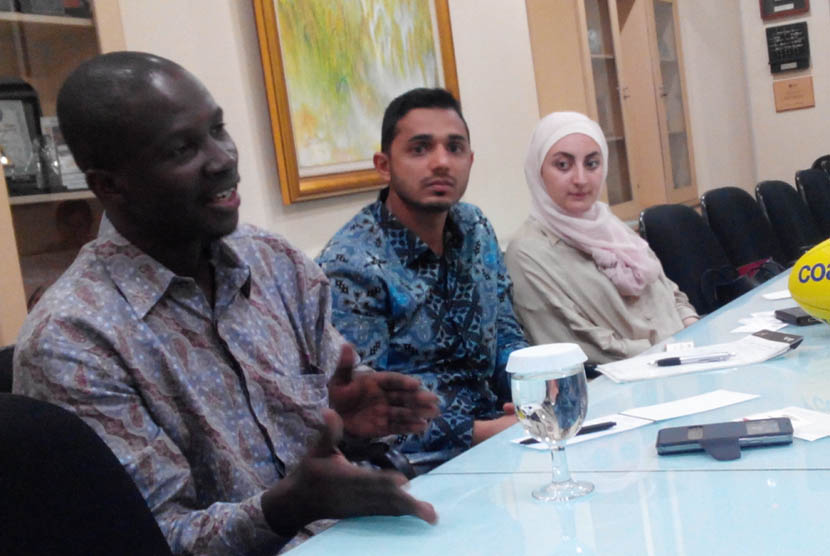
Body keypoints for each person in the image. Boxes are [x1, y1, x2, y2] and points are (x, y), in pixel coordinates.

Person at [12, 51, 440, 556]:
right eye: (182, 148)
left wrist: (349, 423)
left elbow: (333, 437)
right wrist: (286, 507)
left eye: (218, 129)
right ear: (109, 185)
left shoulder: (278, 264)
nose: (223, 159)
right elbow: (150, 540)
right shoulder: (73, 342)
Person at [316, 88, 528, 472]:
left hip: (506, 440)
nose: (441, 163)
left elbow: (505, 335)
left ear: (471, 159)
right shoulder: (351, 264)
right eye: (420, 149)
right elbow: (366, 413)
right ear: (384, 164)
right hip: (416, 467)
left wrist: (533, 390)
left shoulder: (475, 228)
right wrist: (481, 431)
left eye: (455, 148)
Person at [505, 111, 698, 364]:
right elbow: (579, 346)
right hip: (636, 380)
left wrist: (695, 330)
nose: (581, 179)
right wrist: (669, 350)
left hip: (685, 359)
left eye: (591, 164)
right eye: (563, 165)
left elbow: (670, 293)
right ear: (538, 171)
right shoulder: (528, 253)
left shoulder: (610, 227)